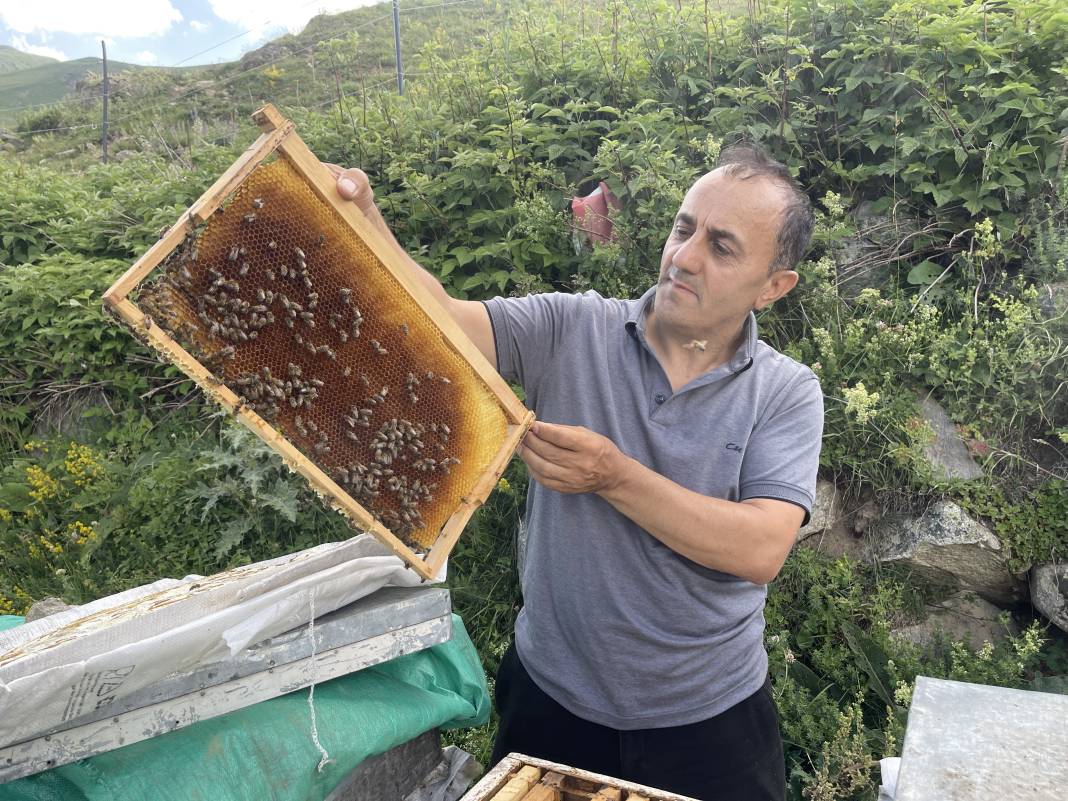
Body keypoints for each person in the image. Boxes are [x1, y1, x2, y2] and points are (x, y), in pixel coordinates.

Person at [330, 143, 823, 801]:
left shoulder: (786, 391)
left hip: (711, 723)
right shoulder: (571, 328)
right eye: (684, 228)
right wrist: (363, 219)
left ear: (773, 286)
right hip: (552, 703)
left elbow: (761, 547)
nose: (685, 255)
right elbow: (441, 323)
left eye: (723, 246)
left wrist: (614, 475)